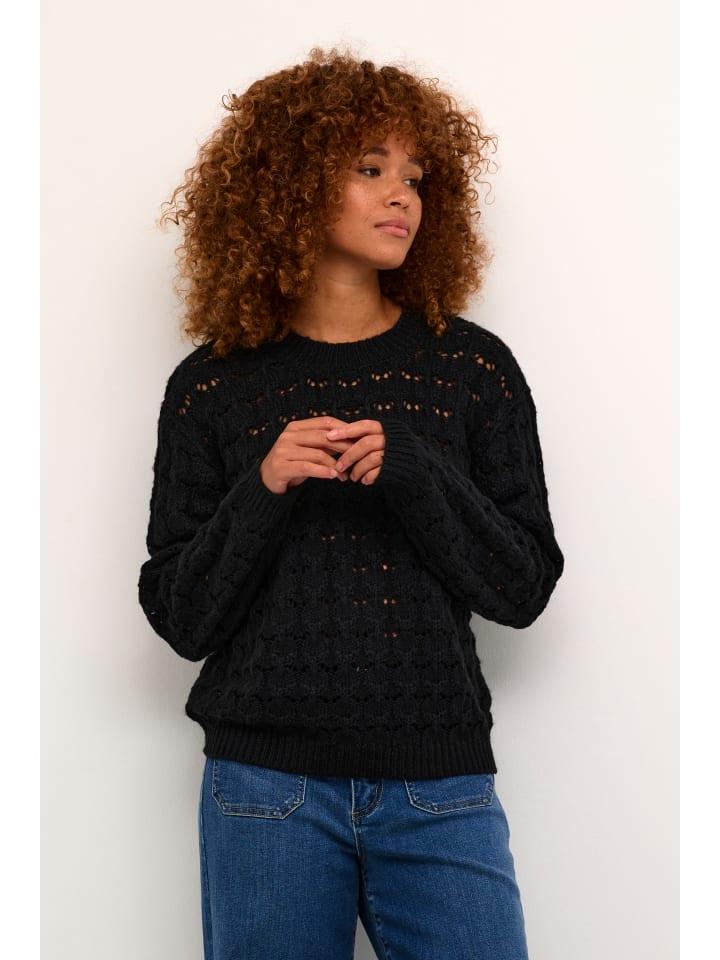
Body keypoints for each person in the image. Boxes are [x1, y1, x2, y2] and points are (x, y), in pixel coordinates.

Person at [138, 45, 565, 960]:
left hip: (440, 785)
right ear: (291, 186)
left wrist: (416, 470)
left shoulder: (471, 368)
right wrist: (264, 488)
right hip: (267, 789)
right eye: (370, 169)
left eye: (414, 176)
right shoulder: (212, 386)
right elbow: (179, 614)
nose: (401, 195)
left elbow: (524, 586)